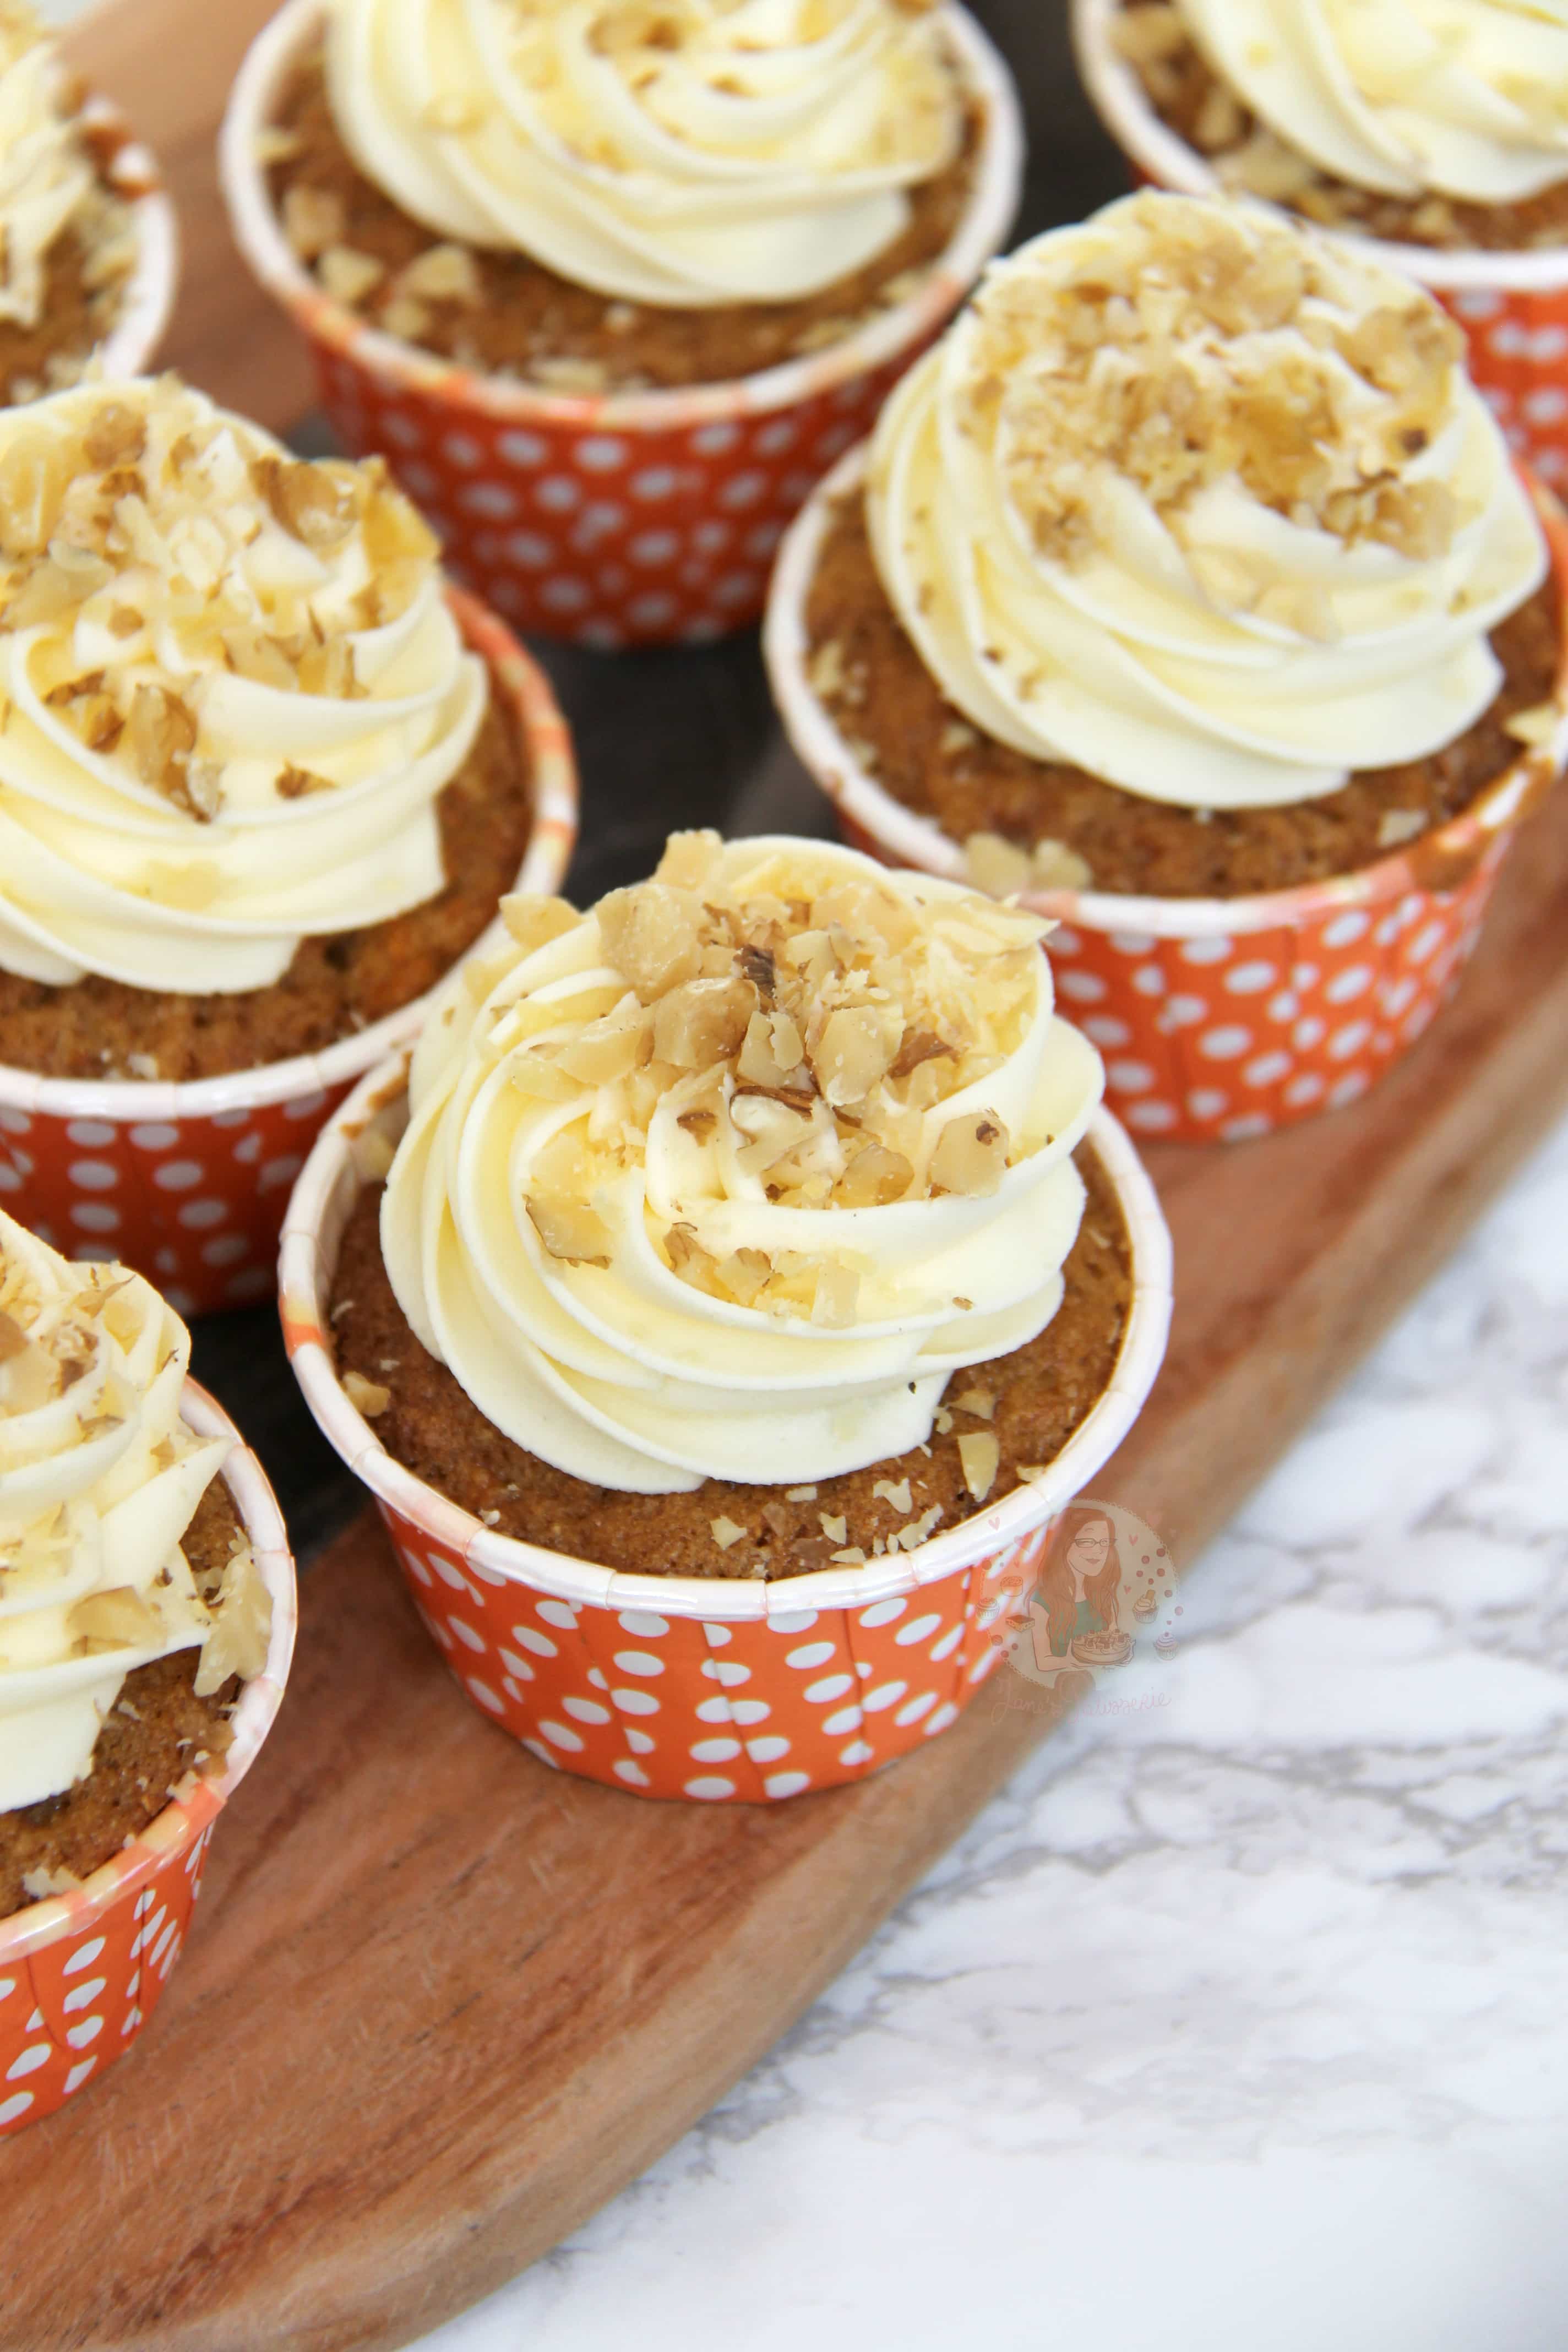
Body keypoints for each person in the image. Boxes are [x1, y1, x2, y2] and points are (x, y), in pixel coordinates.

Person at [1029, 1504, 1123, 1672]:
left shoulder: (1103, 1595)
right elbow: (1043, 1662)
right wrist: (1076, 1660)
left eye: (1104, 1543)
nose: (1098, 1551)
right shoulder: (1044, 1601)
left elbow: (1113, 1638)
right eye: (1087, 1542)